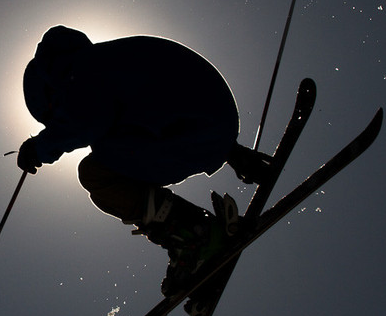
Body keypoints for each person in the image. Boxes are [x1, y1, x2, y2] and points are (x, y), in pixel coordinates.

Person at [17, 25, 269, 300]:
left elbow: (85, 121)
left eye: (53, 117)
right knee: (109, 144)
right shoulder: (112, 59)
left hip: (192, 130)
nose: (58, 121)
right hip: (206, 125)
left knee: (96, 173)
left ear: (49, 92)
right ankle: (199, 217)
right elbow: (162, 97)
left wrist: (39, 148)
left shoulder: (81, 71)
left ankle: (194, 233)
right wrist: (228, 149)